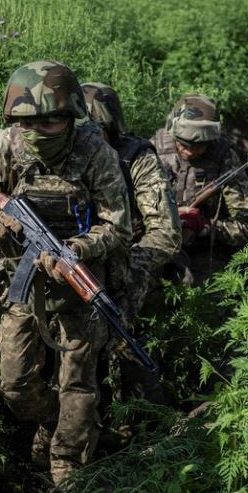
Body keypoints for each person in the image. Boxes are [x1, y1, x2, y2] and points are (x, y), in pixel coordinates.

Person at [0, 61, 131, 486]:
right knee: (16, 384)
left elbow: (118, 224)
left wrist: (75, 250)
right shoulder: (1, 146)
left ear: (70, 117)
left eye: (49, 121)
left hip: (77, 284)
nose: (38, 130)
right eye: (27, 122)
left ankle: (68, 466)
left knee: (78, 383)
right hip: (20, 285)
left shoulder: (95, 152)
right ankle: (51, 422)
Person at [81, 82, 181, 403]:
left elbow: (165, 233)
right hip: (77, 268)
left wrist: (129, 277)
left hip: (129, 270)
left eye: (95, 129)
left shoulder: (136, 159)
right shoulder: (65, 158)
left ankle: (144, 429)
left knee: (134, 363)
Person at [152, 94, 248, 284]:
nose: (189, 151)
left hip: (203, 250)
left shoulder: (223, 158)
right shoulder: (155, 149)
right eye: (183, 143)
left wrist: (206, 227)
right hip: (157, 239)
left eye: (198, 145)